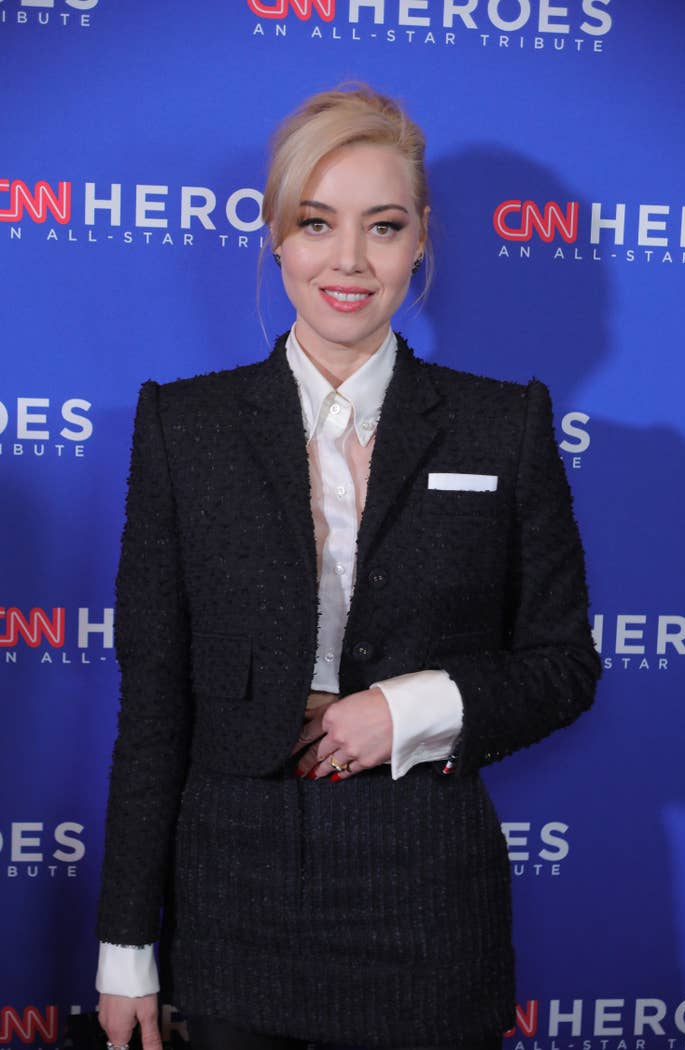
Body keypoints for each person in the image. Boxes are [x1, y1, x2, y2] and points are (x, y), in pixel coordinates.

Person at [96, 84, 600, 1050]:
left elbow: (563, 665)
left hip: (430, 908)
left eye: (384, 226)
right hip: (234, 901)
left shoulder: (508, 425)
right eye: (317, 223)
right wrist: (127, 947)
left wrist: (409, 710)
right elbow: (152, 708)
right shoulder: (184, 426)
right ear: (277, 238)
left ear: (420, 245)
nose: (350, 261)